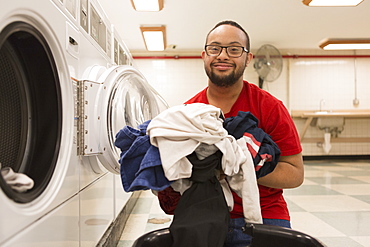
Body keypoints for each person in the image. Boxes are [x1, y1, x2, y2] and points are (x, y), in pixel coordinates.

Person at [157, 20, 304, 246]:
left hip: (265, 215)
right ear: (204, 56)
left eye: (234, 49)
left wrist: (238, 165)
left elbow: (295, 174)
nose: (222, 56)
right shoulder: (188, 114)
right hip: (204, 215)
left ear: (248, 58)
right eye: (214, 48)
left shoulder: (270, 107)